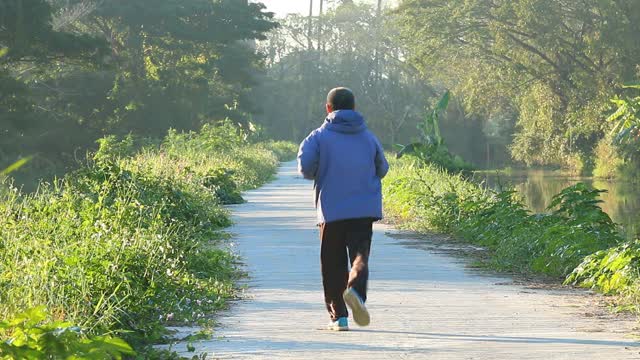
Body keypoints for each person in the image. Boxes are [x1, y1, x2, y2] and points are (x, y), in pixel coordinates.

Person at [297, 87, 389, 331]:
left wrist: (322, 170)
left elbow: (305, 167)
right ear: (354, 108)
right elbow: (382, 168)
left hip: (331, 210)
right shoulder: (368, 136)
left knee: (333, 263)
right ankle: (356, 291)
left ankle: (340, 317)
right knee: (360, 255)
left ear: (328, 108)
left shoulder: (317, 136)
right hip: (363, 209)